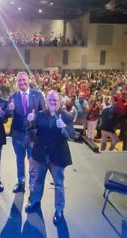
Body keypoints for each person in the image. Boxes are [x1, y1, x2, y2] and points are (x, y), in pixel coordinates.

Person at [24, 90, 75, 226]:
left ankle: (59, 210)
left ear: (60, 102)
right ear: (46, 101)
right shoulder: (40, 115)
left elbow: (72, 135)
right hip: (41, 155)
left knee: (58, 184)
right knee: (38, 180)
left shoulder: (67, 116)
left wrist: (64, 127)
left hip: (57, 156)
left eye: (55, 100)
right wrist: (29, 122)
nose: (52, 102)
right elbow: (30, 130)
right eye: (50, 100)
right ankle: (35, 201)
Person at [7, 71, 46, 193]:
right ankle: (21, 182)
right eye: (19, 80)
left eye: (24, 80)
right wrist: (10, 109)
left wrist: (34, 118)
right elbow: (8, 115)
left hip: (33, 136)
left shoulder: (38, 95)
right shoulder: (13, 97)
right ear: (16, 82)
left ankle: (32, 185)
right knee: (19, 160)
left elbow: (44, 114)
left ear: (28, 80)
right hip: (17, 135)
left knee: (33, 161)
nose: (22, 82)